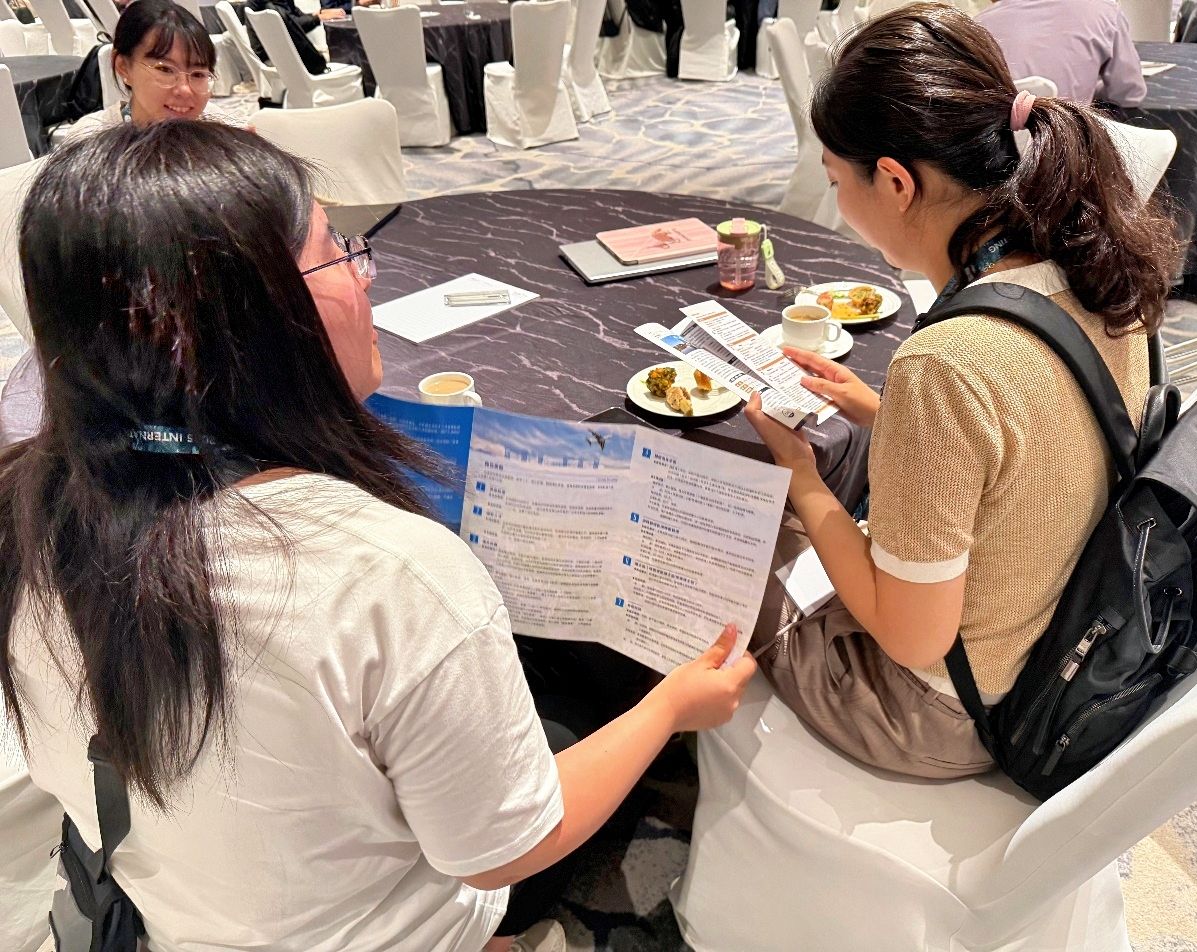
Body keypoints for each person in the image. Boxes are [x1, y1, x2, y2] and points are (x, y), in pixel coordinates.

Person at [0, 122, 755, 952]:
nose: (366, 274)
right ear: (238, 321)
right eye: (334, 253)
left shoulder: (25, 511)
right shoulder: (391, 575)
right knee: (581, 716)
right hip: (386, 932)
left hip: (181, 919)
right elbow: (505, 852)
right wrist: (670, 706)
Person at [744, 3, 1179, 779]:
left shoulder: (946, 365)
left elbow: (912, 639)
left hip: (941, 713)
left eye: (837, 180)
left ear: (895, 182)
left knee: (729, 535)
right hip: (1066, 642)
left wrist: (803, 482)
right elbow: (1038, 439)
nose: (838, 203)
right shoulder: (1098, 266)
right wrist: (881, 412)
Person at [64, 0, 244, 142]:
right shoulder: (92, 140)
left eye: (198, 74)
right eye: (165, 69)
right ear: (123, 67)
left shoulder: (218, 129)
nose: (185, 90)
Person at [976, 0, 1146, 106]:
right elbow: (1129, 94)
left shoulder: (978, 23)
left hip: (988, 146)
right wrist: (1090, 85)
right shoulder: (1105, 10)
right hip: (1067, 143)